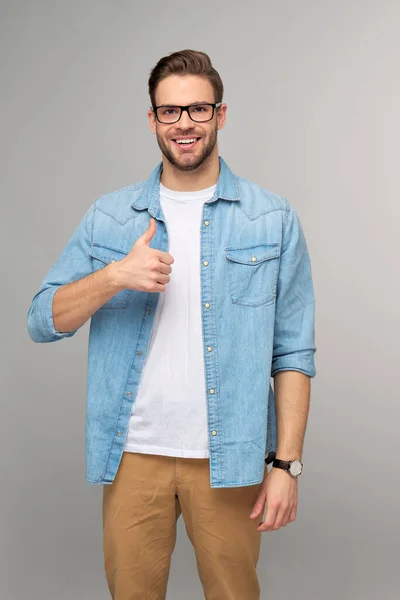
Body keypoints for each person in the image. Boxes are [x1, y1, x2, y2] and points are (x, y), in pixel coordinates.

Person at [27, 49, 317, 600]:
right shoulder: (110, 217)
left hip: (227, 456)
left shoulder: (271, 217)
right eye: (170, 111)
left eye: (198, 109)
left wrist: (287, 465)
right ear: (153, 120)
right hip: (133, 454)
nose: (184, 123)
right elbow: (43, 320)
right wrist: (114, 276)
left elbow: (293, 353)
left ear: (220, 115)